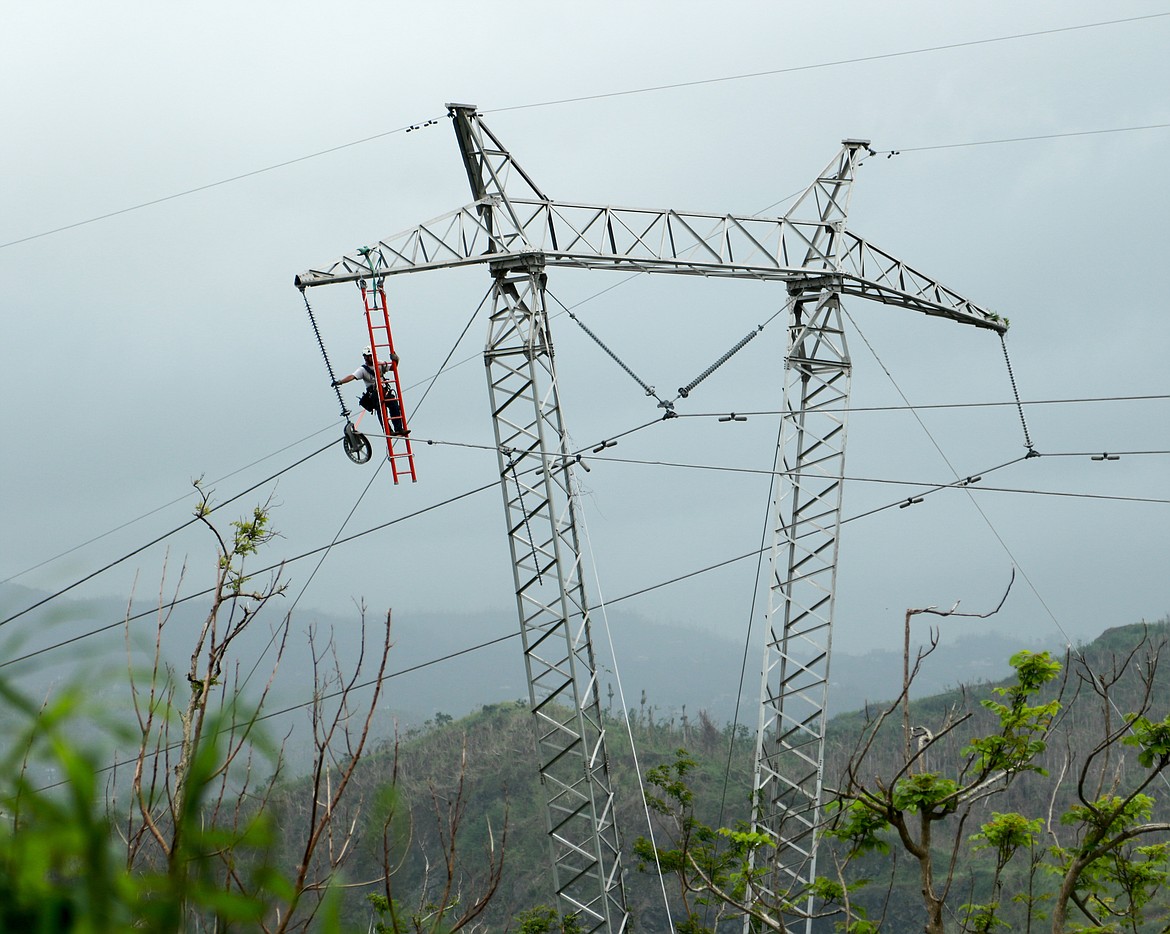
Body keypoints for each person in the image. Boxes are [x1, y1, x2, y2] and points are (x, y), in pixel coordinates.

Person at [334, 347, 407, 435]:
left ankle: (399, 428)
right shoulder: (363, 369)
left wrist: (396, 360)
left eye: (369, 356)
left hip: (384, 391)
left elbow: (393, 368)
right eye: (366, 357)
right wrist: (340, 382)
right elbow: (352, 376)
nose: (367, 358)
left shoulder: (380, 364)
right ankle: (388, 431)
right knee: (381, 411)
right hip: (374, 394)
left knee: (394, 406)